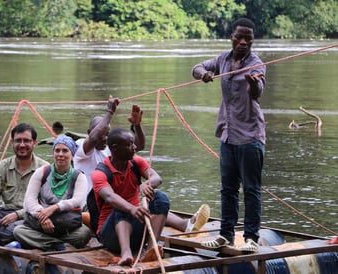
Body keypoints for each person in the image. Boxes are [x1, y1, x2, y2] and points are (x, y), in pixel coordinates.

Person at [74, 97, 210, 233]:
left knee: (149, 202)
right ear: (88, 133)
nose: (104, 138)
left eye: (107, 134)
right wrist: (110, 112)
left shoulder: (111, 148)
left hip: (117, 200)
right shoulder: (82, 149)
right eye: (101, 134)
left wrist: (137, 126)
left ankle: (184, 224)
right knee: (127, 208)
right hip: (93, 206)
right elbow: (94, 138)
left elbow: (137, 146)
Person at [191, 18, 266, 252]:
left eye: (248, 39)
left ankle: (252, 238)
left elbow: (257, 93)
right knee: (228, 189)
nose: (243, 42)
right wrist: (204, 73)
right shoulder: (223, 59)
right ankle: (226, 236)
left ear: (252, 41)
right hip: (227, 136)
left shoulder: (256, 64)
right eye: (239, 38)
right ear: (232, 37)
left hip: (250, 137)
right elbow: (196, 68)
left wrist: (252, 84)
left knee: (251, 189)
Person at [91, 127, 169, 266]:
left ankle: (151, 249)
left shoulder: (136, 162)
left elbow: (157, 177)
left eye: (133, 144)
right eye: (129, 145)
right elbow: (109, 197)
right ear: (115, 149)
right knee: (122, 207)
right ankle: (125, 253)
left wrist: (147, 184)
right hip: (110, 235)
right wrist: (132, 209)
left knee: (161, 198)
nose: (134, 147)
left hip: (135, 228)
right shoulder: (100, 173)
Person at [13, 135, 91, 251]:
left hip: (66, 225)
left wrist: (55, 207)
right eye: (57, 150)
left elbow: (78, 201)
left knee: (84, 233)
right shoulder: (42, 172)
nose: (60, 154)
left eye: (65, 151)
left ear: (72, 155)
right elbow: (29, 200)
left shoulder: (79, 176)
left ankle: (46, 243)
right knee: (18, 231)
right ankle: (57, 246)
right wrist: (43, 217)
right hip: (41, 224)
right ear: (53, 153)